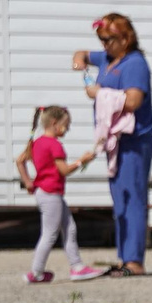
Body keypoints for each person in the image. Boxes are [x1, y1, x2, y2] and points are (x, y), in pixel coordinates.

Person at [72, 13, 152, 277]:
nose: (104, 45)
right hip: (115, 143)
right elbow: (82, 54)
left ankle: (134, 261)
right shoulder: (108, 58)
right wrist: (79, 62)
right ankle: (125, 257)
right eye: (102, 40)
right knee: (120, 199)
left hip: (133, 141)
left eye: (108, 39)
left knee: (133, 198)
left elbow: (133, 101)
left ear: (124, 39)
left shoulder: (134, 64)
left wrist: (100, 94)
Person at [14, 105, 100, 284]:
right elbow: (64, 170)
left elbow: (20, 161)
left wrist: (28, 182)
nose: (67, 129)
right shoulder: (54, 145)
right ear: (54, 123)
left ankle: (77, 267)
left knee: (69, 228)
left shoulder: (37, 143)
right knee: (50, 234)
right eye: (66, 125)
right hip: (51, 193)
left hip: (46, 193)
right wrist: (81, 161)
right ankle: (36, 272)